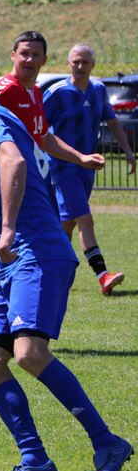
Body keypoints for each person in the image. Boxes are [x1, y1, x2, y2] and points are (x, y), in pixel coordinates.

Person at [0, 62, 132, 471]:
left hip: (37, 255)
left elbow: (13, 164)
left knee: (28, 353)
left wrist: (7, 231)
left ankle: (108, 442)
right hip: (17, 262)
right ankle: (36, 461)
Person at [0, 31, 106, 351]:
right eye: (24, 53)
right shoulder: (2, 92)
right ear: (13, 56)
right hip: (11, 186)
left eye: (35, 54)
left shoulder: (35, 95)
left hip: (34, 183)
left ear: (45, 60)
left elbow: (44, 138)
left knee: (18, 257)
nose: (29, 59)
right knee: (24, 255)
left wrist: (80, 157)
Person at [43, 43, 136, 295]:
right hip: (63, 167)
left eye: (85, 62)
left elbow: (112, 121)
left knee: (68, 224)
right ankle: (103, 275)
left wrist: (128, 151)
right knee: (85, 220)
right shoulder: (56, 93)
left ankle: (50, 270)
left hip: (87, 170)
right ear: (68, 63)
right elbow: (38, 129)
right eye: (76, 61)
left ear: (93, 64)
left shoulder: (98, 89)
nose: (80, 66)